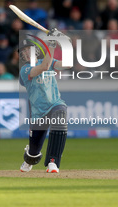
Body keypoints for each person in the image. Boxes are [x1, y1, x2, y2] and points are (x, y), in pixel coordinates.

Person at [18, 29, 71, 173]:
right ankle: (30, 156)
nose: (26, 53)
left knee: (60, 115)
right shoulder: (25, 70)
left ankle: (53, 162)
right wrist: (52, 45)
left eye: (28, 49)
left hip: (55, 104)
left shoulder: (49, 60)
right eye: (23, 52)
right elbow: (44, 67)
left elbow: (68, 64)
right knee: (33, 155)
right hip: (38, 113)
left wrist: (66, 45)